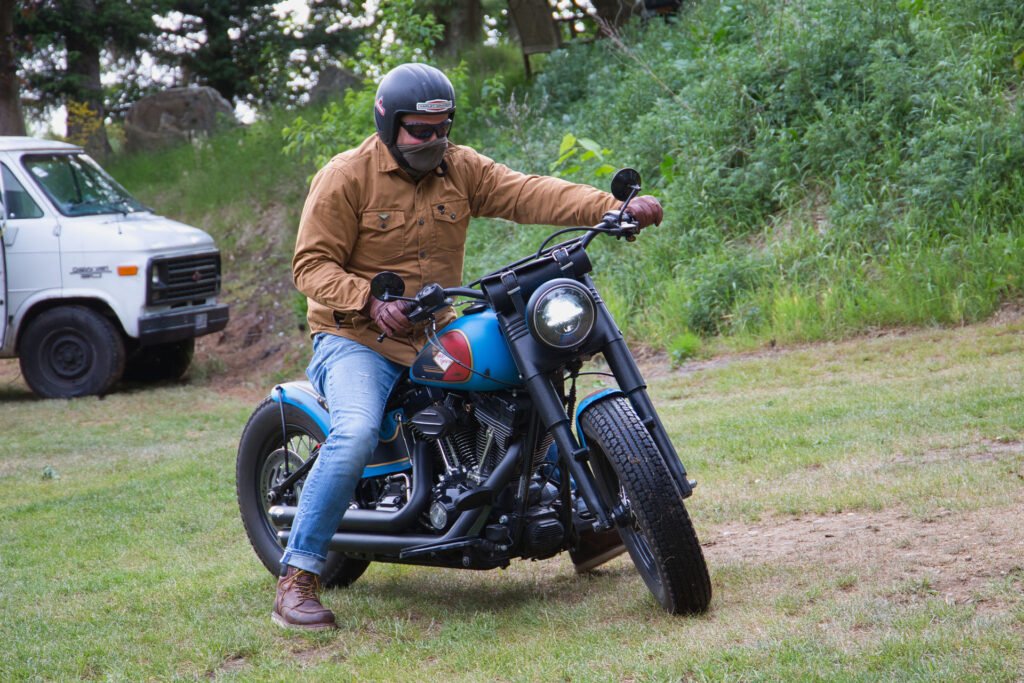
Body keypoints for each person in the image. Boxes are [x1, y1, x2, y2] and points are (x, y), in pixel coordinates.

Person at [274, 62, 664, 630]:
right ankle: (299, 576)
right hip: (357, 337)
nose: (432, 141)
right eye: (419, 130)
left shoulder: (459, 167)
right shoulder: (346, 177)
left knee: (524, 388)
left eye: (441, 128)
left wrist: (611, 207)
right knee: (355, 430)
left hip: (434, 328)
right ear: (388, 124)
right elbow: (310, 265)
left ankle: (587, 519)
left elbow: (528, 193)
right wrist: (368, 300)